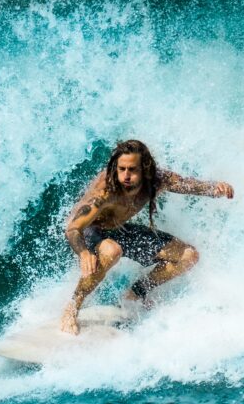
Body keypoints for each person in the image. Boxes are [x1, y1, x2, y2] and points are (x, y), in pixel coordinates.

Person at [60, 139, 234, 335]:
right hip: (90, 230)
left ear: (145, 169)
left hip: (118, 229)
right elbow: (73, 228)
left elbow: (185, 184)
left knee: (187, 256)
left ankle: (135, 293)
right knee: (111, 251)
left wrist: (214, 188)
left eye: (132, 170)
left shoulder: (156, 180)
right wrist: (84, 253)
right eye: (121, 169)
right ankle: (72, 306)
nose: (125, 176)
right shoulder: (106, 191)